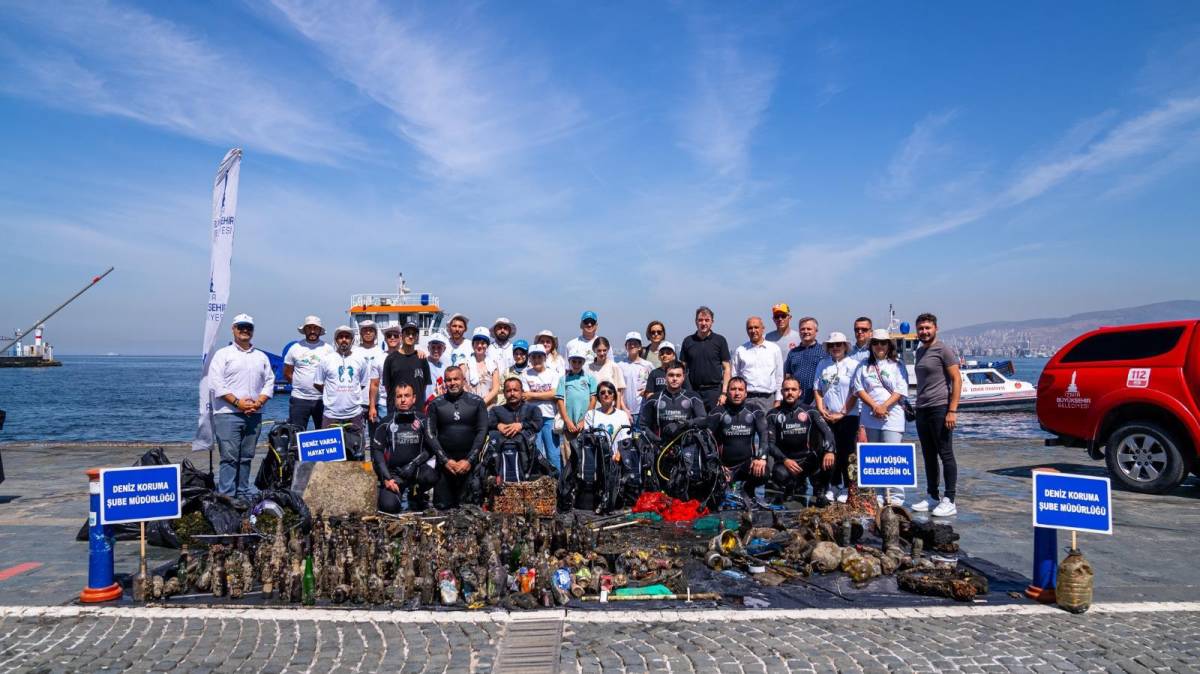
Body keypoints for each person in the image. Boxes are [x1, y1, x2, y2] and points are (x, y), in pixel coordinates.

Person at [209, 314, 273, 499]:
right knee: (229, 457)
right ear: (233, 329)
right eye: (241, 326)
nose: (245, 330)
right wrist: (238, 403)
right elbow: (216, 383)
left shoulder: (261, 356)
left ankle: (243, 492)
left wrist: (259, 402)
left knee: (246, 456)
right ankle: (227, 496)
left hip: (254, 413)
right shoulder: (223, 354)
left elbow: (269, 381)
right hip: (228, 414)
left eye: (248, 327)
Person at [911, 313, 962, 517]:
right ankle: (933, 496)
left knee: (945, 453)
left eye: (927, 328)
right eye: (921, 328)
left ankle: (950, 499)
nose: (924, 331)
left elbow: (956, 380)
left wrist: (952, 410)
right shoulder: (920, 351)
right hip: (922, 408)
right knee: (928, 455)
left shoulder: (943, 350)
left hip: (940, 407)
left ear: (935, 329)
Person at [852, 328, 909, 506]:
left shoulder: (897, 365)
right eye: (875, 343)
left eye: (883, 343)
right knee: (874, 456)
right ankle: (877, 494)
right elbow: (858, 388)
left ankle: (896, 496)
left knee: (892, 455)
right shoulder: (863, 366)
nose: (879, 346)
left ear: (888, 345)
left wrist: (884, 406)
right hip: (870, 415)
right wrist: (875, 406)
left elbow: (901, 389)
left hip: (893, 415)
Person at [371, 383, 441, 513]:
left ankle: (416, 494)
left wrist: (414, 464)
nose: (403, 399)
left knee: (432, 476)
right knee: (388, 507)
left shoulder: (423, 420)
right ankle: (395, 494)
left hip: (416, 470)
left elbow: (431, 448)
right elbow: (377, 452)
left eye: (407, 396)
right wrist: (386, 478)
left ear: (414, 398)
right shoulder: (385, 422)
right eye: (399, 396)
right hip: (394, 473)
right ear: (394, 399)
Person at [426, 366, 489, 509]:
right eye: (448, 380)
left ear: (463, 380)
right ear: (444, 382)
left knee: (469, 509)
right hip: (445, 465)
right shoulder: (436, 404)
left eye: (456, 379)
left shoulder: (477, 402)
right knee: (442, 509)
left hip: (469, 464)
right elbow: (430, 434)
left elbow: (482, 432)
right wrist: (445, 460)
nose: (452, 383)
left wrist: (469, 460)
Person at [767, 376, 836, 505]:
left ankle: (821, 490)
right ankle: (791, 486)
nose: (790, 393)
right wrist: (785, 460)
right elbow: (770, 444)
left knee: (829, 458)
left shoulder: (810, 411)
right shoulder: (772, 414)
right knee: (778, 474)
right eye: (786, 389)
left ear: (800, 392)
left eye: (794, 389)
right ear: (781, 392)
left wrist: (830, 450)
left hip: (808, 460)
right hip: (787, 461)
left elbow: (827, 432)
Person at [812, 332, 861, 503]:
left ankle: (848, 486)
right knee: (828, 451)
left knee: (847, 452)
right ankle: (833, 484)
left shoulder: (854, 364)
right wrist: (820, 408)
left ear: (845, 346)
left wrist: (843, 413)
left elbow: (856, 391)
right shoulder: (823, 364)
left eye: (839, 344)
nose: (835, 348)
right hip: (827, 414)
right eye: (832, 345)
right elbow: (817, 388)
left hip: (849, 416)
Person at [707, 377, 769, 503]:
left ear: (746, 393)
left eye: (740, 389)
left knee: (764, 472)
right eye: (733, 389)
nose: (737, 393)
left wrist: (761, 458)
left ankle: (748, 488)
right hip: (723, 466)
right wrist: (716, 464)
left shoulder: (754, 410)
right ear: (727, 392)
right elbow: (706, 439)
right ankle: (725, 485)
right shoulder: (718, 412)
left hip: (746, 465)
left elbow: (764, 434)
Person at [314, 326, 374, 439]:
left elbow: (362, 383)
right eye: (340, 337)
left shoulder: (360, 360)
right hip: (331, 414)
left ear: (352, 340)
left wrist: (348, 391)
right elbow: (317, 383)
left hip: (354, 413)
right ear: (336, 340)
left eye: (347, 337)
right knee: (330, 453)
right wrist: (330, 393)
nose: (344, 340)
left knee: (356, 452)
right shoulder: (326, 360)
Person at [638, 361, 707, 441]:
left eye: (678, 375)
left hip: (687, 444)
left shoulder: (693, 397)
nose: (674, 379)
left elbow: (703, 420)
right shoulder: (654, 399)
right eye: (671, 375)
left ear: (683, 377)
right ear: (665, 377)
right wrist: (655, 440)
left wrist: (683, 424)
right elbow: (643, 425)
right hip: (660, 446)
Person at [283, 315, 331, 429]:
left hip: (322, 399)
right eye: (309, 328)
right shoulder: (295, 348)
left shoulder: (329, 349)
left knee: (324, 433)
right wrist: (300, 385)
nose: (312, 331)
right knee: (296, 432)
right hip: (299, 399)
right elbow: (287, 372)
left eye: (315, 328)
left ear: (320, 330)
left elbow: (331, 374)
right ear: (304, 330)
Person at [680, 306, 731, 411]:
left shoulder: (720, 340)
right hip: (693, 391)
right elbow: (682, 369)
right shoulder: (688, 341)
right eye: (700, 320)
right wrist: (685, 391)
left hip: (714, 392)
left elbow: (727, 368)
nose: (703, 323)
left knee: (714, 424)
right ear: (695, 322)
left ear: (712, 322)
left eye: (707, 320)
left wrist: (724, 393)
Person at [731, 316, 784, 413]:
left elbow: (779, 377)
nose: (753, 330)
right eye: (750, 328)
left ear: (763, 329)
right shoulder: (740, 351)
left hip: (768, 400)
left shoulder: (774, 349)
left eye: (756, 327)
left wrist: (778, 398)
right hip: (746, 399)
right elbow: (735, 376)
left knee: (767, 427)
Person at [522, 344, 562, 470]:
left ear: (545, 357)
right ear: (530, 359)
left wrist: (533, 395)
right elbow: (525, 396)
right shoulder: (525, 374)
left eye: (539, 356)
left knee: (553, 454)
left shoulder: (553, 373)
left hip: (549, 417)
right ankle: (539, 482)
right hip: (532, 419)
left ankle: (557, 482)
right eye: (533, 357)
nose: (537, 360)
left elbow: (555, 394)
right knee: (536, 452)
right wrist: (546, 395)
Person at [556, 344, 598, 461]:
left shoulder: (590, 379)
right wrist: (568, 421)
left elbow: (593, 399)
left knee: (585, 455)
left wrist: (584, 421)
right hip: (569, 424)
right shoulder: (563, 379)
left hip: (585, 424)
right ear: (570, 361)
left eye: (579, 362)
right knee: (568, 456)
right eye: (574, 361)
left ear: (583, 363)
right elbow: (560, 401)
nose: (576, 364)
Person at [381, 321, 432, 415]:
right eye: (408, 333)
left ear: (417, 337)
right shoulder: (390, 359)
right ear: (401, 336)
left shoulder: (422, 359)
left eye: (414, 334)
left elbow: (423, 386)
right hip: (395, 411)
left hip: (417, 411)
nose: (411, 336)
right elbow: (387, 387)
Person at [354, 320, 386, 437]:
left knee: (376, 437)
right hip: (359, 401)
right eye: (365, 330)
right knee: (358, 437)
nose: (368, 333)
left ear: (375, 333)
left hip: (376, 402)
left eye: (371, 330)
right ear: (360, 333)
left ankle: (374, 456)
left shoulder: (381, 352)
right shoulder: (354, 352)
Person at [784, 317, 824, 405]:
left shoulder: (824, 351)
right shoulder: (793, 352)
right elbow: (788, 375)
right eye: (802, 329)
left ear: (816, 331)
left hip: (817, 400)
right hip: (796, 400)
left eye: (809, 329)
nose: (805, 332)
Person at [583, 381, 633, 449]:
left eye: (610, 392)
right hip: (597, 456)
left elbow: (626, 438)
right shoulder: (591, 415)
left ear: (614, 395)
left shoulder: (622, 415)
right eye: (603, 392)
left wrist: (619, 454)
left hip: (617, 457)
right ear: (598, 396)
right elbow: (588, 438)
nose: (606, 394)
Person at [616, 332, 653, 423]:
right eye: (630, 343)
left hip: (643, 410)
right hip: (625, 411)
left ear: (640, 347)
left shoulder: (647, 365)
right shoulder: (620, 366)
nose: (632, 346)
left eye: (635, 343)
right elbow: (618, 390)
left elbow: (653, 386)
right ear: (626, 346)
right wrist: (624, 409)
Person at [586, 337, 628, 411]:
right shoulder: (588, 368)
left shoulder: (614, 367)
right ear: (594, 350)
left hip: (610, 410)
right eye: (599, 350)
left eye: (604, 350)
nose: (602, 353)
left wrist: (617, 411)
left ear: (608, 350)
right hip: (593, 409)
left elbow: (618, 392)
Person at [463, 326, 501, 405]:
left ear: (487, 345)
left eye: (483, 343)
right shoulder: (464, 363)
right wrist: (472, 402)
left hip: (488, 405)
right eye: (477, 343)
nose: (480, 346)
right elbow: (462, 384)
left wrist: (482, 403)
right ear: (473, 345)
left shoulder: (493, 365)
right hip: (469, 404)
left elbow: (496, 388)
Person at [425, 331, 449, 403]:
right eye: (433, 347)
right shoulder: (423, 364)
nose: (436, 350)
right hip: (426, 404)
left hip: (440, 404)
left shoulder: (445, 368)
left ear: (444, 349)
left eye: (439, 347)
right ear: (428, 348)